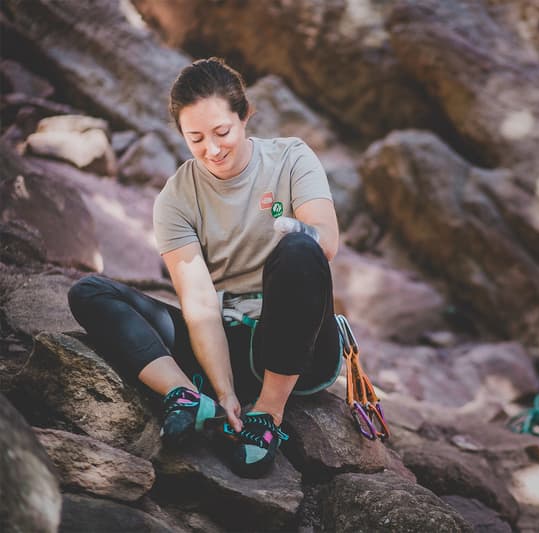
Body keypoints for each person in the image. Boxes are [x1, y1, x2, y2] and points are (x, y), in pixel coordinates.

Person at [68, 57, 341, 478]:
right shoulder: (176, 198)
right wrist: (224, 388)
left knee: (301, 249)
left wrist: (298, 231)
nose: (212, 149)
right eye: (195, 138)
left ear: (245, 115)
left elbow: (327, 240)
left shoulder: (291, 158)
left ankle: (267, 414)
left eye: (222, 132)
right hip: (225, 340)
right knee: (89, 292)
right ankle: (186, 395)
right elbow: (197, 301)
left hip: (297, 343)